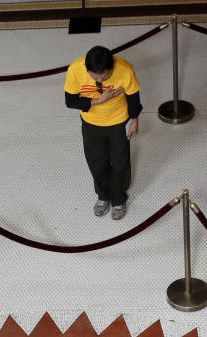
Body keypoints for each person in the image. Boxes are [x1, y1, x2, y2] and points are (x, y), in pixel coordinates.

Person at [64, 45, 141, 221]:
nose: (100, 79)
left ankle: (119, 199)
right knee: (96, 161)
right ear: (87, 69)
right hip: (91, 122)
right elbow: (70, 101)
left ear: (111, 67)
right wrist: (99, 100)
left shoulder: (125, 69)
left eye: (105, 76)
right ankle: (103, 195)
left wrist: (134, 121)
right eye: (95, 77)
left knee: (120, 160)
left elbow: (133, 98)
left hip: (117, 121)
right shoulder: (75, 69)